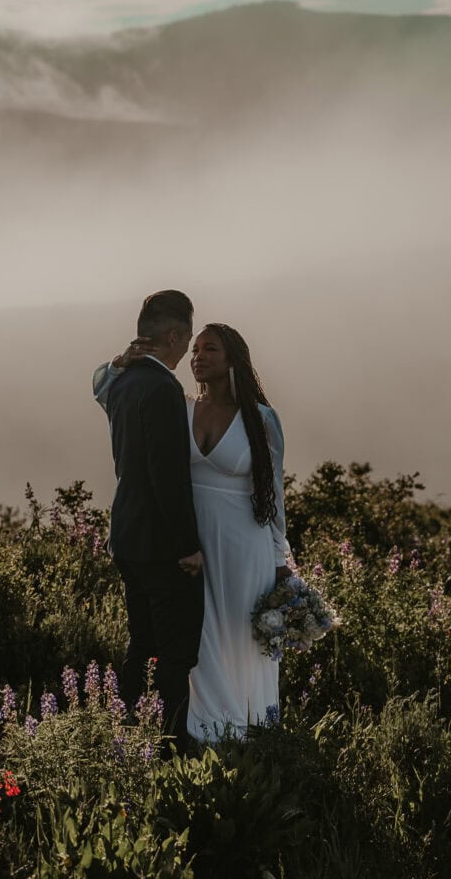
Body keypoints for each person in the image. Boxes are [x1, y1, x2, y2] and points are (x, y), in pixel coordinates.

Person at [96, 320, 290, 742]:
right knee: (194, 636)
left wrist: (280, 560)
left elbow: (275, 494)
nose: (199, 356)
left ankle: (246, 722)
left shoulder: (261, 419)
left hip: (244, 545)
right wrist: (118, 363)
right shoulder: (176, 406)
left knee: (240, 635)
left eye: (211, 349)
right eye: (196, 348)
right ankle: (201, 725)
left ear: (233, 360)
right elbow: (105, 392)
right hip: (189, 541)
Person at [92, 289, 203, 756]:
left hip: (127, 534)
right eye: (189, 337)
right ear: (174, 335)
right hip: (160, 543)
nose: (189, 349)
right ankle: (171, 747)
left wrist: (117, 360)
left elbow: (96, 383)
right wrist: (188, 545)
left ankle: (123, 736)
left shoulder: (120, 383)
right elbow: (167, 475)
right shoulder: (161, 389)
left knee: (142, 644)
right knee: (177, 652)